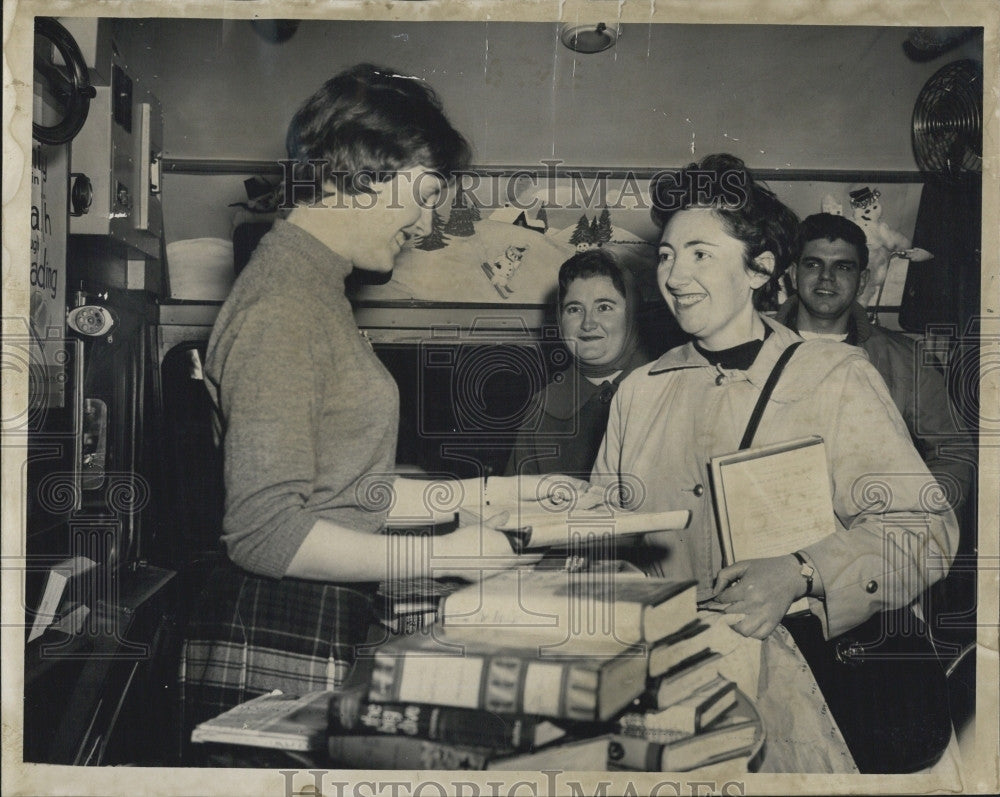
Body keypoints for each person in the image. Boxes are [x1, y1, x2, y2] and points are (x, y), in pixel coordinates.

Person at [179, 64, 583, 736]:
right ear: (359, 171)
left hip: (316, 618)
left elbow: (348, 488)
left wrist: (500, 498)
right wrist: (446, 555)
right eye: (423, 194)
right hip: (283, 634)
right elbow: (263, 533)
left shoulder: (314, 290)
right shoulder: (284, 304)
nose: (427, 221)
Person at [588, 153, 959, 772]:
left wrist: (803, 571)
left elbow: (928, 531)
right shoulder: (639, 391)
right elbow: (605, 542)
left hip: (803, 711)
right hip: (674, 700)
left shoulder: (835, 377)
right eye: (667, 255)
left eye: (701, 253)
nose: (675, 275)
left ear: (760, 268)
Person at [774, 212, 974, 512]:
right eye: (813, 264)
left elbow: (954, 453)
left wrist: (914, 524)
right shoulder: (755, 350)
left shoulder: (906, 360)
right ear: (792, 275)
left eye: (843, 267)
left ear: (862, 280)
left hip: (870, 542)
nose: (826, 277)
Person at [504, 249, 649, 479]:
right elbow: (518, 502)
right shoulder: (542, 406)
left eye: (604, 307)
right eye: (574, 309)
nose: (588, 323)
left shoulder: (669, 388)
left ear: (632, 314)